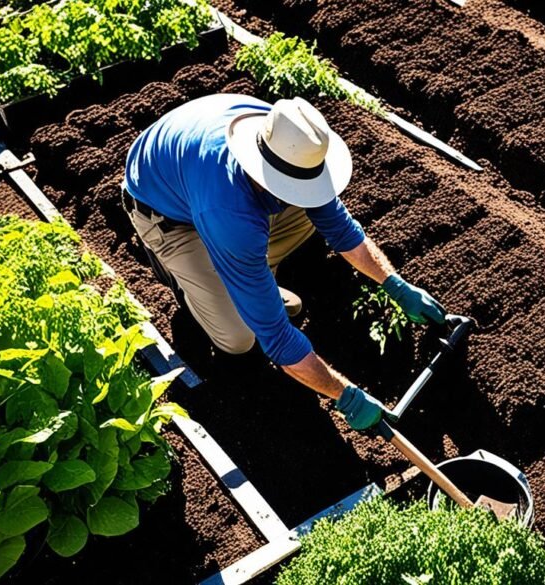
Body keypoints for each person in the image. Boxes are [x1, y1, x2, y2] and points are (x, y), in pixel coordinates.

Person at [122, 94, 446, 432]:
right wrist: (345, 395)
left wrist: (397, 286)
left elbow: (340, 228)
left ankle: (245, 282)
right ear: (267, 176)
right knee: (240, 338)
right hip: (163, 210)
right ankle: (198, 280)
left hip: (195, 171)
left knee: (305, 220)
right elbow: (277, 340)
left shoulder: (291, 139)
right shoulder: (230, 213)